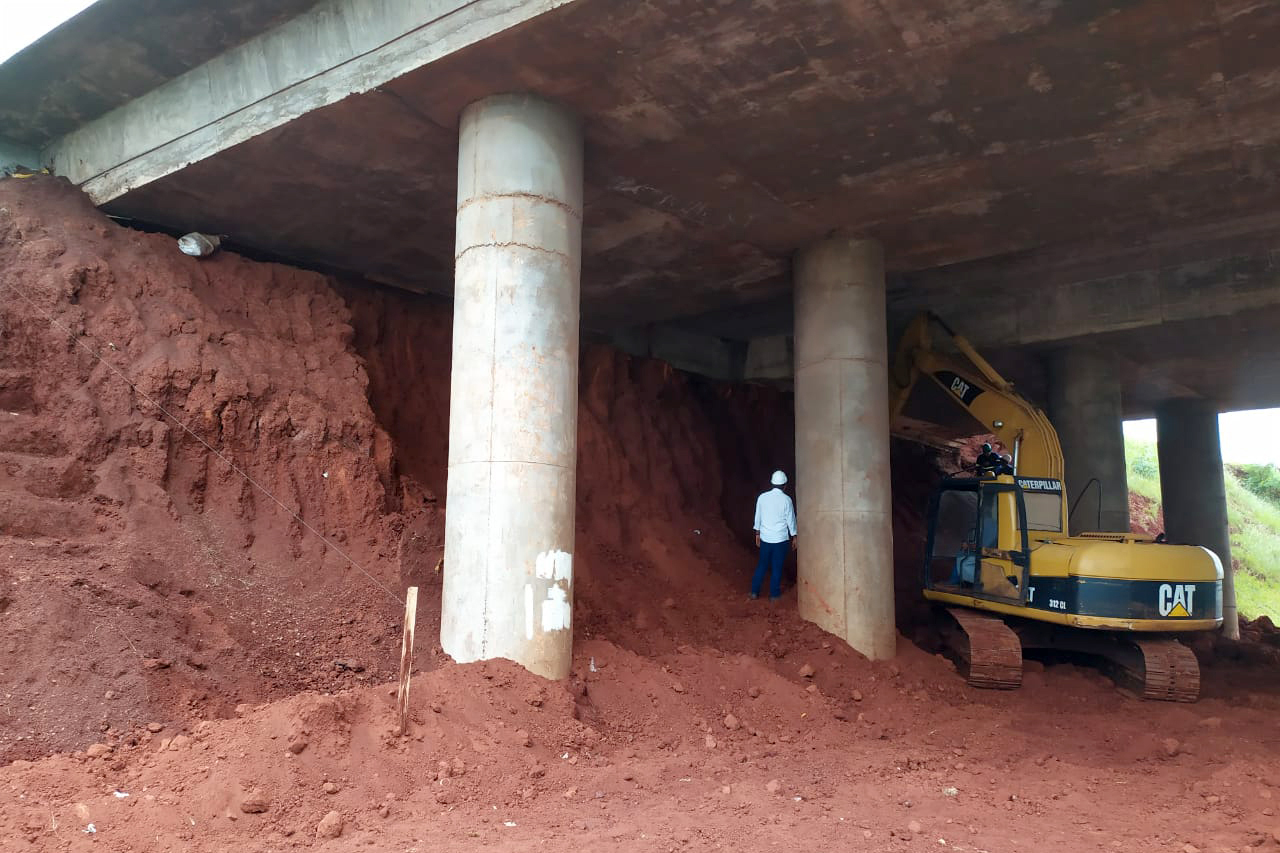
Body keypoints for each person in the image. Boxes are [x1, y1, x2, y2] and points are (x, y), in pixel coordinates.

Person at [751, 470, 798, 600]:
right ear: (785, 485)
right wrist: (794, 536)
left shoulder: (762, 497)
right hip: (781, 539)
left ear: (772, 483)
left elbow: (758, 517)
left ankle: (754, 592)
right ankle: (774, 595)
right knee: (777, 566)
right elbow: (791, 520)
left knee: (762, 564)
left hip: (766, 538)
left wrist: (757, 533)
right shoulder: (786, 500)